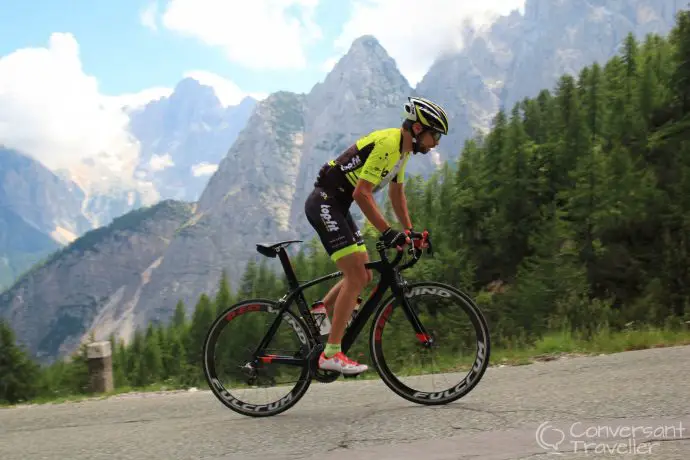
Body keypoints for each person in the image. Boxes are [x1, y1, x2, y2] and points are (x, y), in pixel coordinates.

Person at [303, 96, 450, 375]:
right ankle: (331, 353)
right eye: (435, 135)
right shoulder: (389, 144)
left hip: (336, 203)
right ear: (418, 129)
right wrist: (388, 232)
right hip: (325, 202)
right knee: (357, 275)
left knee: (364, 274)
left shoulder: (402, 150)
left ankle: (320, 311)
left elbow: (397, 193)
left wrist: (409, 231)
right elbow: (362, 193)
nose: (437, 143)